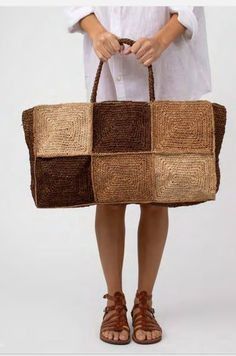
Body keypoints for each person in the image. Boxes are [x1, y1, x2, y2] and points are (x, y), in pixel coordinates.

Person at [64, 6, 211, 345]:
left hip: (164, 68)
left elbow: (190, 7)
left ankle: (144, 300)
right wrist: (96, 30)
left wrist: (161, 41)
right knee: (110, 189)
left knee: (154, 193)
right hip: (108, 66)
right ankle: (113, 300)